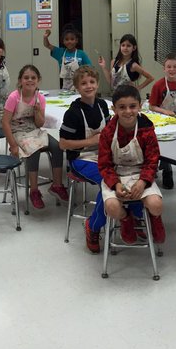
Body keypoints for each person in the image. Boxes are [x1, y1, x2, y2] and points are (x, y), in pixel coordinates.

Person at [98, 84, 166, 246]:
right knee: (112, 208)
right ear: (114, 109)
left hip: (141, 174)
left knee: (156, 205)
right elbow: (104, 165)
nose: (128, 111)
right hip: (116, 174)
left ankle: (154, 218)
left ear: (140, 106)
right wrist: (116, 185)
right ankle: (126, 219)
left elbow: (152, 160)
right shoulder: (108, 132)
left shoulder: (147, 130)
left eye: (132, 106)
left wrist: (143, 182)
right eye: (122, 107)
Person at [58, 66, 112, 253]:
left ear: (97, 84)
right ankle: (94, 226)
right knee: (109, 181)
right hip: (81, 158)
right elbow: (63, 144)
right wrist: (91, 141)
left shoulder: (102, 105)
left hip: (104, 155)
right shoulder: (73, 113)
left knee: (130, 175)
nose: (88, 86)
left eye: (92, 82)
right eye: (83, 83)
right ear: (77, 87)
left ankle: (128, 218)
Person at [1, 64, 68, 210]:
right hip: (17, 131)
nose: (30, 80)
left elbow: (40, 123)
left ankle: (57, 184)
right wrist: (12, 144)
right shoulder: (14, 97)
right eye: (26, 78)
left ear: (38, 80)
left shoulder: (40, 98)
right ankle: (34, 191)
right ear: (20, 81)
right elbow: (5, 122)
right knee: (34, 150)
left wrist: (38, 112)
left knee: (58, 146)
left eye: (33, 78)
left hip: (33, 130)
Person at [148, 52, 176, 191]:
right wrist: (165, 112)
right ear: (164, 69)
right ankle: (167, 169)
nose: (172, 69)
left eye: (175, 67)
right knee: (165, 143)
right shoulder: (158, 85)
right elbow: (152, 106)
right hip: (162, 119)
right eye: (169, 67)